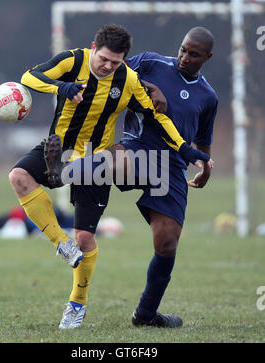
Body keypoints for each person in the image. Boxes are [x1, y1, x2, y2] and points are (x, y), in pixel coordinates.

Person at [9, 24, 212, 330]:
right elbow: (28, 77)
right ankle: (60, 241)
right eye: (103, 59)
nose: (107, 67)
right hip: (65, 147)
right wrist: (60, 87)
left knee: (91, 239)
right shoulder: (73, 61)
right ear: (93, 47)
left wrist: (186, 149)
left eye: (115, 63)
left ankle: (78, 305)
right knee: (19, 177)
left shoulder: (129, 80)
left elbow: (157, 117)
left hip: (102, 158)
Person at [113, 26, 218, 328]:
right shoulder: (151, 62)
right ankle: (61, 174)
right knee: (101, 166)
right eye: (184, 49)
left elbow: (203, 138)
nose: (185, 57)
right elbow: (114, 74)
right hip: (137, 147)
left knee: (167, 243)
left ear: (207, 57)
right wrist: (148, 86)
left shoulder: (208, 96)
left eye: (194, 54)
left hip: (172, 166)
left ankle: (146, 315)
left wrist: (206, 166)